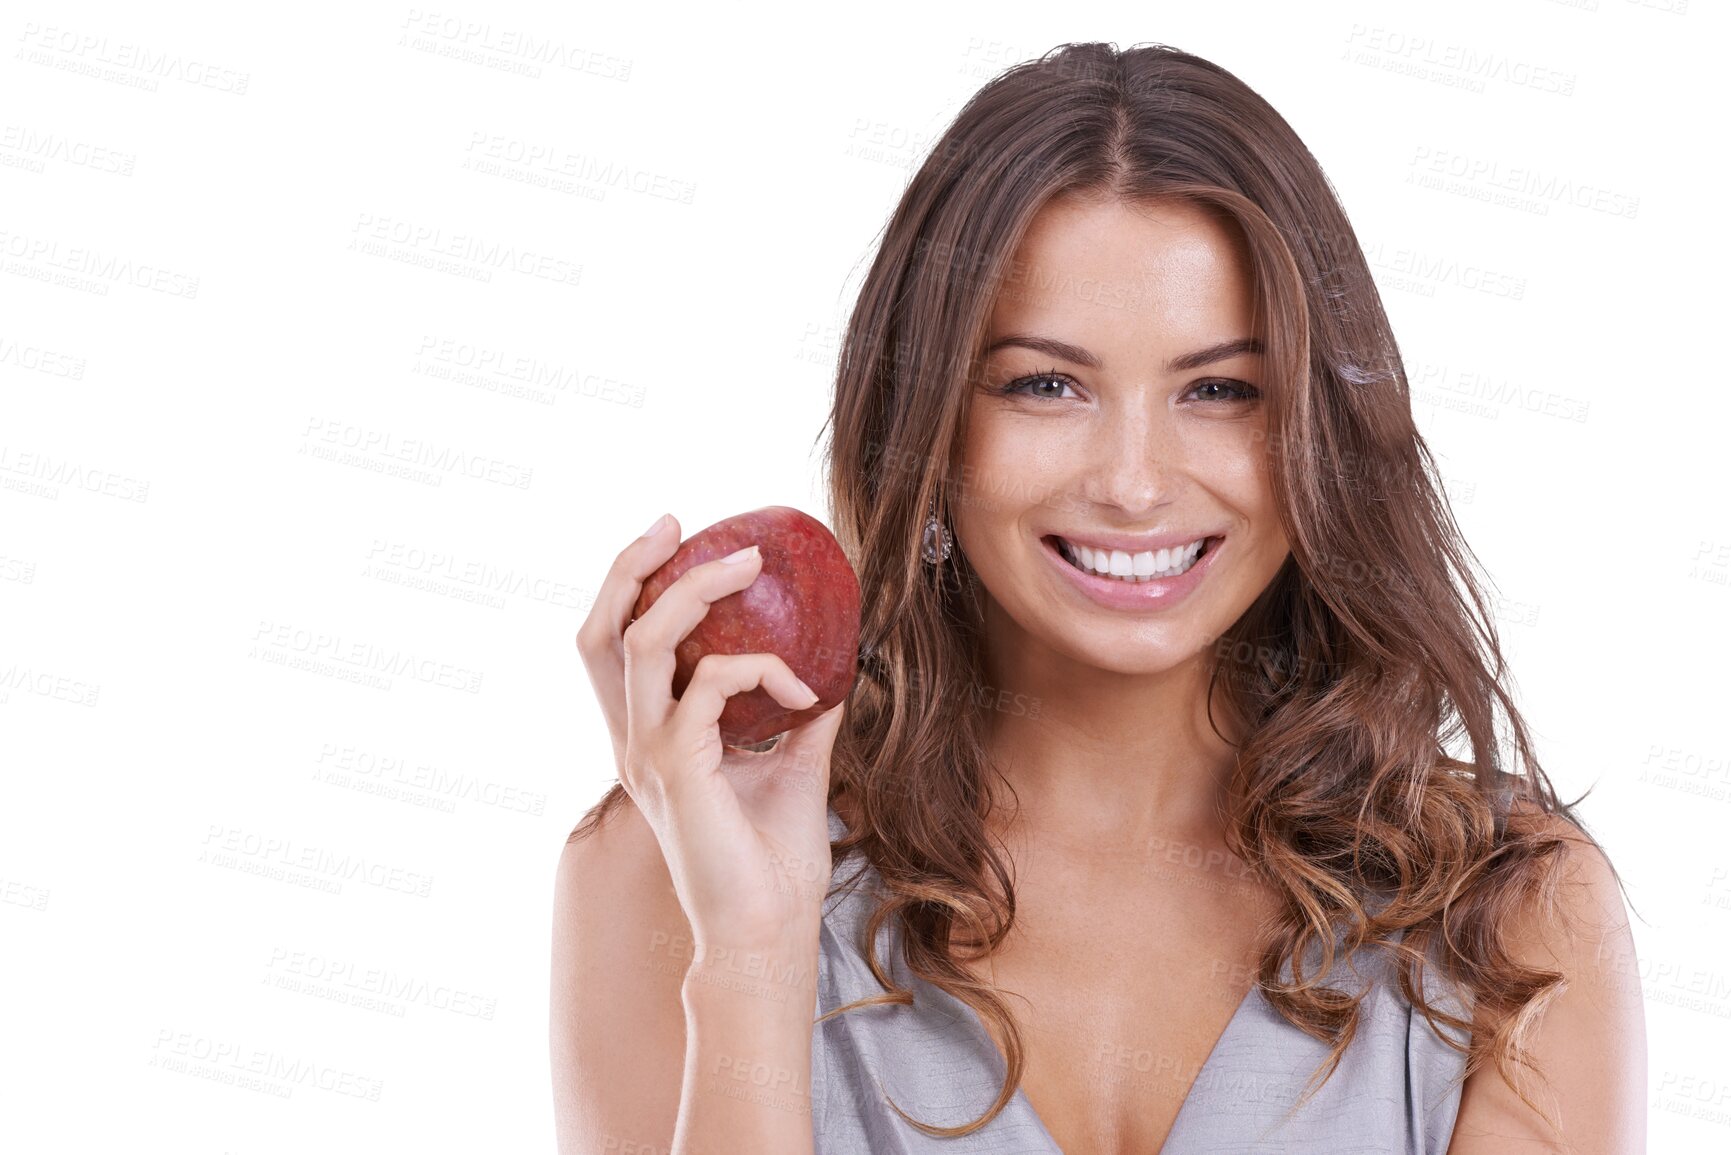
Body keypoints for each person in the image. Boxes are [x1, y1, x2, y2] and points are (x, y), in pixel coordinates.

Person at [552, 41, 1646, 1155]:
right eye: (1046, 385)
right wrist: (752, 947)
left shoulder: (1515, 911)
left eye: (1220, 389)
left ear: (1316, 432)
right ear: (925, 427)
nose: (1133, 482)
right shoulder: (670, 874)